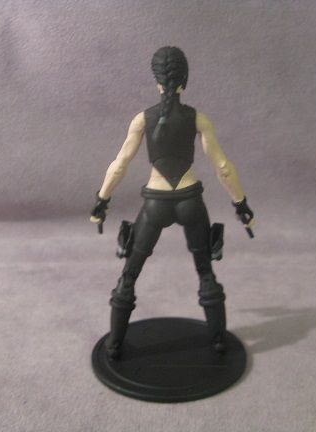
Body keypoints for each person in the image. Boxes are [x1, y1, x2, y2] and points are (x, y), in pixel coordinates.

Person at [90, 46, 254, 360]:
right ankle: (218, 342)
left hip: (156, 203)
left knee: (129, 274)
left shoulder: (143, 119)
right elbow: (223, 167)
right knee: (206, 273)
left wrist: (102, 199)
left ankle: (114, 345)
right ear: (184, 80)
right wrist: (241, 204)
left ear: (156, 81)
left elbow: (120, 164)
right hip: (190, 200)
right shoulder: (198, 119)